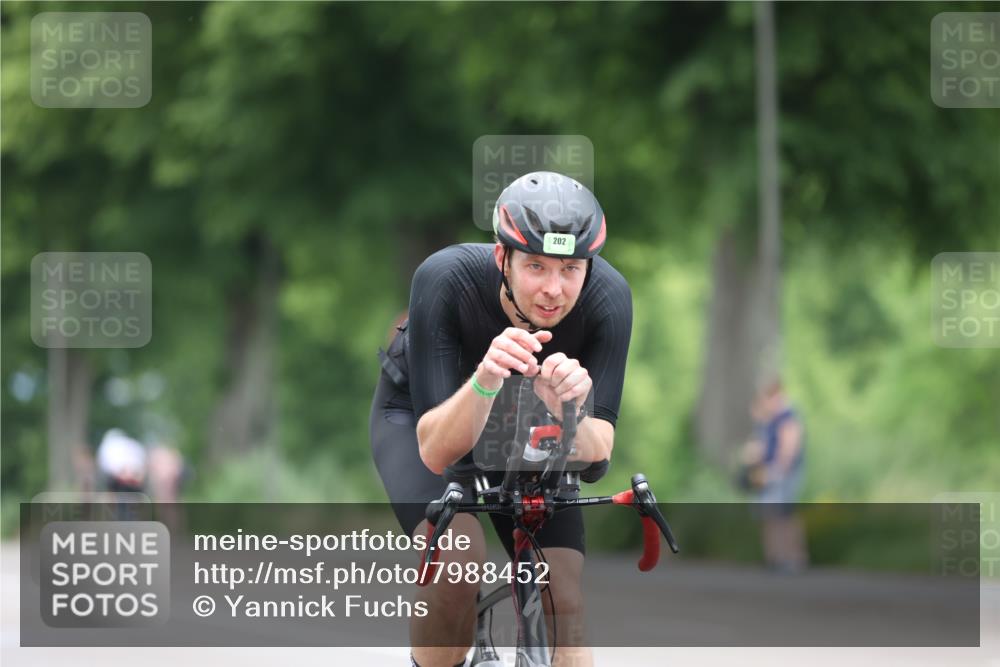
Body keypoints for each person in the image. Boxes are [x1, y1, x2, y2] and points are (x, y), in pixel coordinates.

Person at [370, 171, 632, 667]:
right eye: (535, 266)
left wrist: (570, 412)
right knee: (457, 563)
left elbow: (598, 453)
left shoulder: (609, 300)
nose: (554, 289)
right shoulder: (446, 279)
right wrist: (486, 378)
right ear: (501, 258)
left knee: (562, 591)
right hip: (428, 417)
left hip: (530, 424)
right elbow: (434, 451)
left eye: (571, 269)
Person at [740, 378, 808, 573]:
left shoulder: (787, 417)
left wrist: (774, 472)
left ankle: (794, 558)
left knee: (785, 516)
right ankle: (775, 557)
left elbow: (788, 450)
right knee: (770, 516)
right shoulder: (770, 420)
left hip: (782, 475)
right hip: (770, 473)